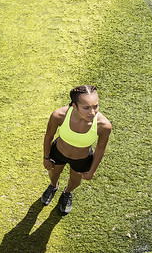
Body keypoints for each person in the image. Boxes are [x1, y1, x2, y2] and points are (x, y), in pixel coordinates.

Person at [41, 85, 112, 214]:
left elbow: (100, 149)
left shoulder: (103, 125)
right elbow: (49, 136)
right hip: (58, 153)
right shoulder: (59, 115)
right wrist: (46, 158)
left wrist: (91, 171)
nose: (92, 112)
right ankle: (53, 186)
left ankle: (67, 192)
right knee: (53, 174)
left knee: (75, 181)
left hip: (82, 159)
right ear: (74, 106)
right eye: (86, 108)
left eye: (95, 106)